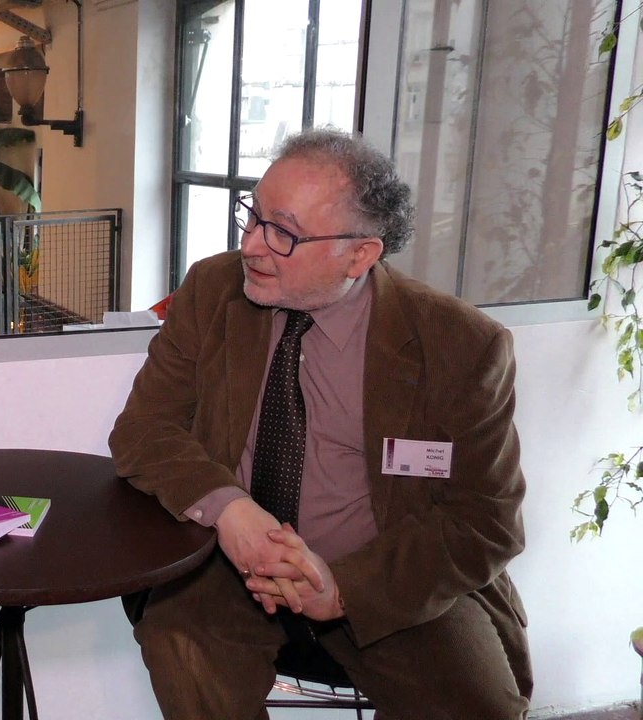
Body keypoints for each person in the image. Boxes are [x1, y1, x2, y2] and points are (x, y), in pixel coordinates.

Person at [109, 127, 530, 719]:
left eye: (283, 233)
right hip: (230, 565)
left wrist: (344, 590)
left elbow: (486, 521)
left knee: (478, 707)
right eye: (252, 217)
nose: (253, 245)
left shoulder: (460, 346)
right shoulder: (213, 288)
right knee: (182, 647)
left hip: (388, 570)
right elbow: (144, 431)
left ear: (360, 253)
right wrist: (231, 511)